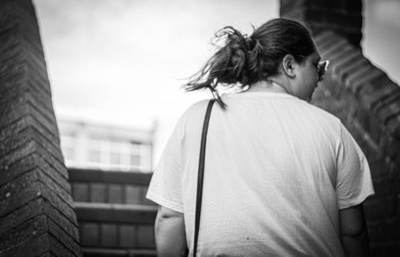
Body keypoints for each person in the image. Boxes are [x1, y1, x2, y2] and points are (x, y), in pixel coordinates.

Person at [146, 18, 374, 257]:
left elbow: (169, 217)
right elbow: (353, 233)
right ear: (290, 65)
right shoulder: (331, 129)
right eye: (317, 66)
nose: (320, 78)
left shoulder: (198, 118)